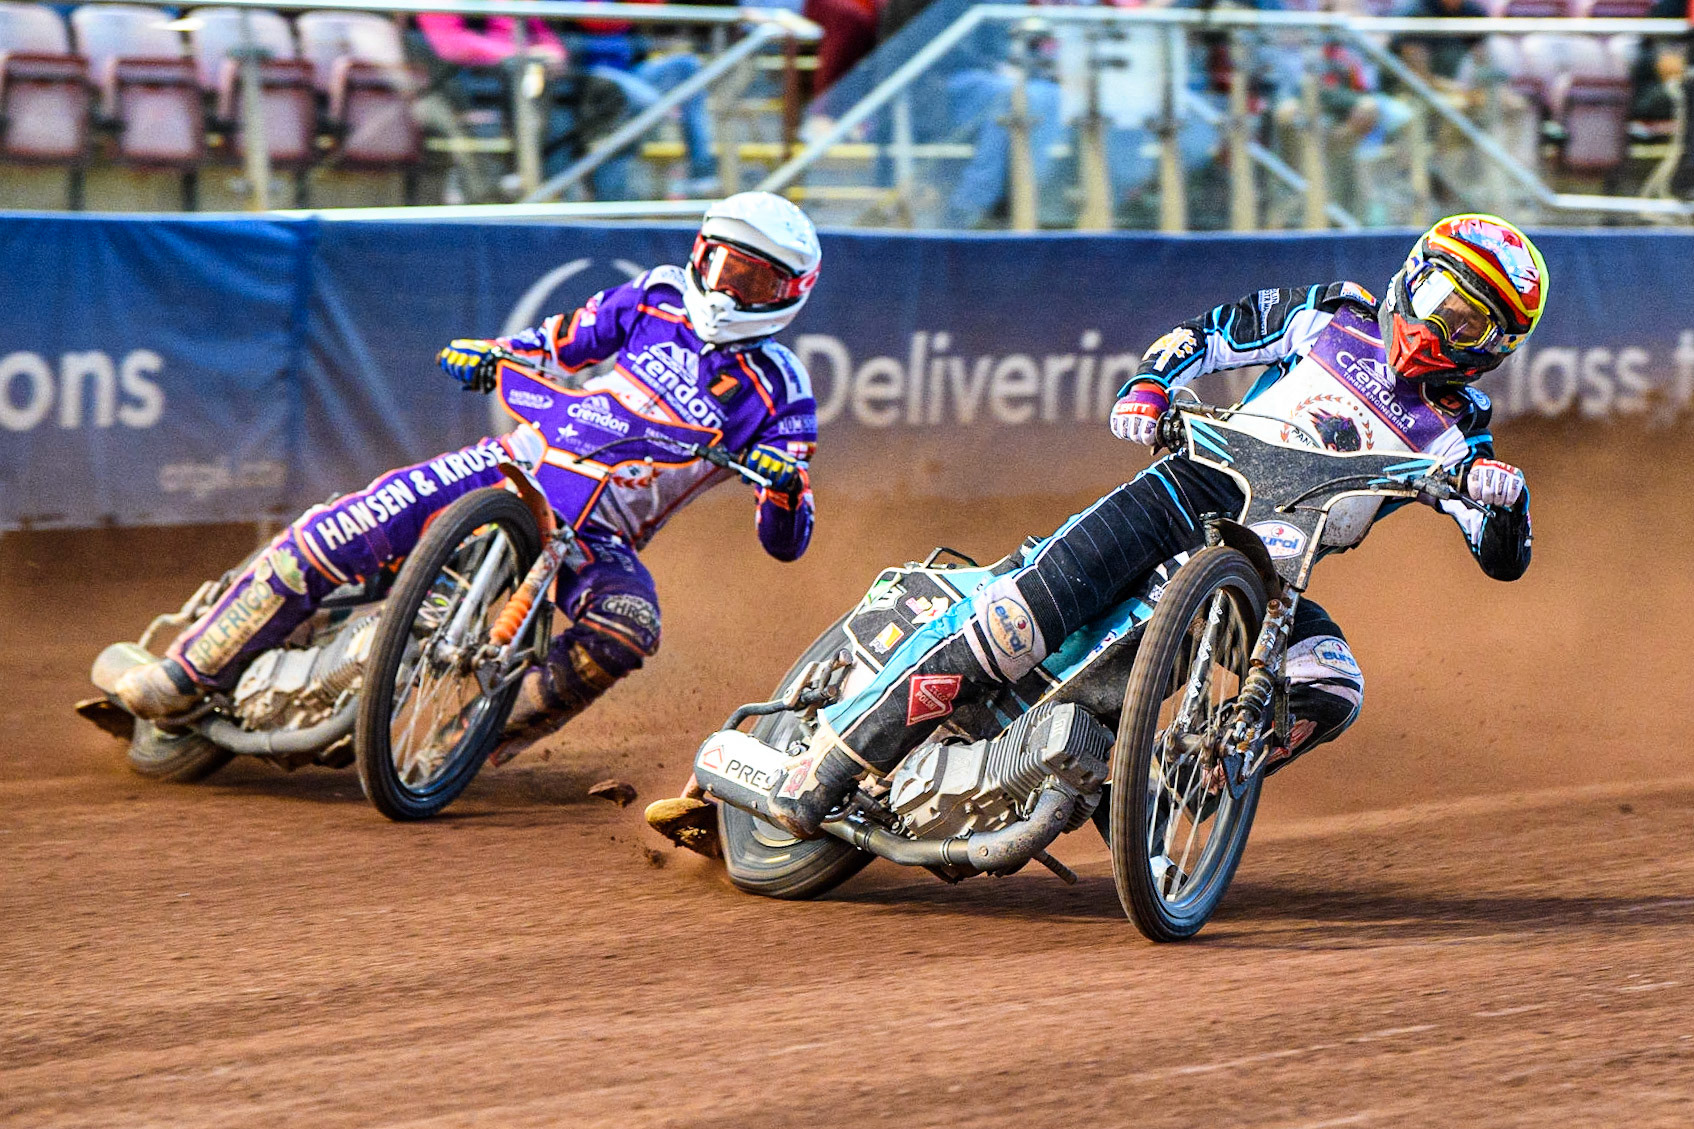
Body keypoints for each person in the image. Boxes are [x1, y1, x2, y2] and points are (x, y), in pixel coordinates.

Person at [760, 213, 1542, 839]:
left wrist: (1506, 503)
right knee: (1014, 622)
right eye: (1444, 300)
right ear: (1412, 275)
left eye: (1471, 325)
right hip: (1189, 487)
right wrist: (1149, 384)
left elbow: (1499, 555)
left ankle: (1174, 790)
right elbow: (1213, 332)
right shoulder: (1336, 311)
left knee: (1329, 680)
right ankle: (821, 767)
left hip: (1273, 570)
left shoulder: (1460, 430)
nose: (1444, 327)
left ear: (1494, 350)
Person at [114, 193, 824, 750]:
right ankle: (187, 669)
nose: (729, 288)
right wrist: (492, 350)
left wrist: (782, 486)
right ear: (700, 252)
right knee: (354, 522)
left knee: (629, 626)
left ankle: (472, 738)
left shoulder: (781, 389)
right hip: (519, 463)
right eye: (723, 263)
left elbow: (787, 537)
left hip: (601, 533)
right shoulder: (657, 295)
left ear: (789, 292)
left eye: (754, 278)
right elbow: (556, 345)